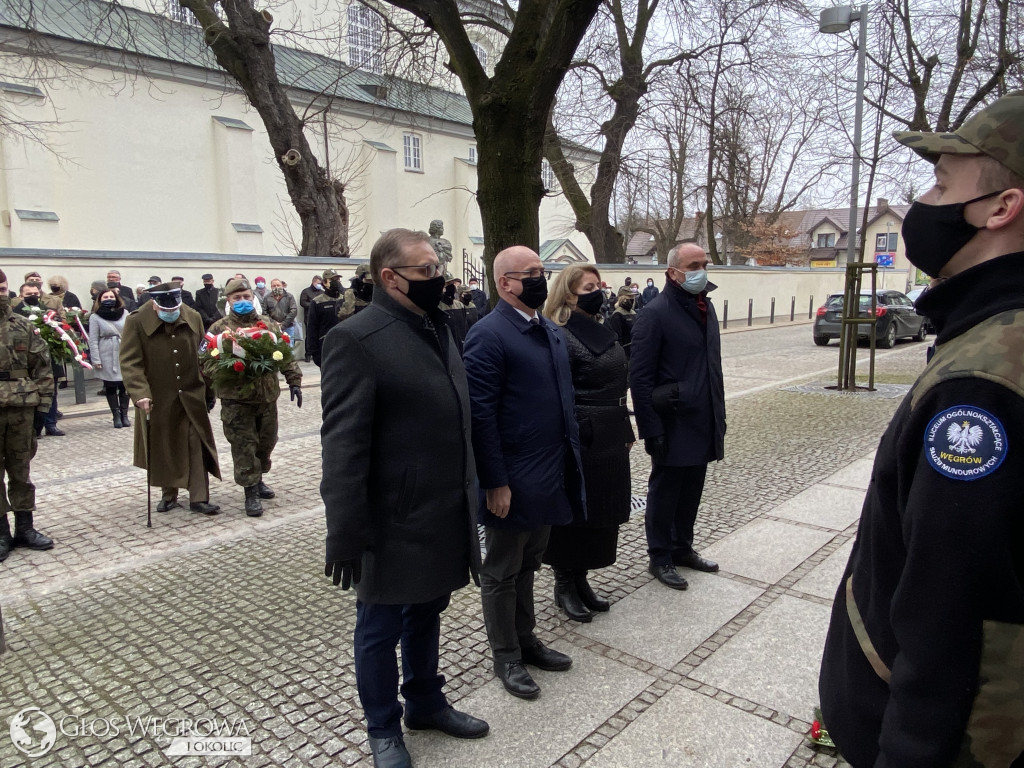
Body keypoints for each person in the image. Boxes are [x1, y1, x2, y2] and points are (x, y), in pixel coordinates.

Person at [819, 91, 1024, 767]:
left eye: (942, 184)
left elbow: (949, 611)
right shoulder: (987, 335)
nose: (925, 204)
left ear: (1001, 207)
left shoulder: (984, 382)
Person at [322, 229, 488, 768]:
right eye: (424, 271)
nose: (437, 278)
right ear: (389, 277)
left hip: (441, 507)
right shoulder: (355, 338)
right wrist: (344, 531)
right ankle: (382, 727)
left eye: (437, 268)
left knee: (429, 610)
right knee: (379, 628)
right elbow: (343, 446)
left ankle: (424, 700)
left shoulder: (437, 325)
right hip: (389, 518)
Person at [463, 246, 585, 700]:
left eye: (542, 271)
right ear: (505, 283)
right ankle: (506, 655)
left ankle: (527, 639)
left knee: (531, 562)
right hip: (511, 479)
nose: (540, 278)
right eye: (530, 273)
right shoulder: (488, 335)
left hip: (548, 472)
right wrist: (495, 481)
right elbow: (481, 416)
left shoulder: (547, 330)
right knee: (501, 569)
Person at [629, 242, 724, 591]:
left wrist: (719, 416)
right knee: (666, 491)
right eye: (694, 265)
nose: (701, 270)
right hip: (671, 420)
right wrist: (650, 428)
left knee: (692, 489)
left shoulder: (705, 308)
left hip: (702, 417)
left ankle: (682, 547)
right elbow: (639, 378)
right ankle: (660, 557)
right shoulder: (654, 314)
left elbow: (711, 367)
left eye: (704, 263)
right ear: (673, 273)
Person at [542, 264, 633, 622]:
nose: (598, 291)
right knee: (574, 512)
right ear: (568, 293)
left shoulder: (602, 327)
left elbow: (619, 381)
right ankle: (564, 582)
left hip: (610, 430)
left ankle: (581, 579)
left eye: (599, 284)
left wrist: (625, 426)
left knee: (600, 511)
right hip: (581, 435)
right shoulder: (558, 334)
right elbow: (556, 393)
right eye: (589, 286)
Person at [119, 282, 221, 516]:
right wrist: (140, 393)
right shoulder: (136, 321)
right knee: (164, 445)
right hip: (157, 396)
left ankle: (199, 497)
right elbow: (130, 362)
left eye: (174, 308)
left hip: (191, 393)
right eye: (165, 309)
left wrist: (209, 389)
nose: (170, 312)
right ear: (154, 305)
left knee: (196, 443)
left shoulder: (192, 316)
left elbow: (203, 354)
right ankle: (169, 494)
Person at [205, 278, 302, 517]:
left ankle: (258, 479)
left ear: (253, 298)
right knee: (243, 445)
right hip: (236, 400)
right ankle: (250, 491)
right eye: (237, 298)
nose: (243, 301)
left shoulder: (268, 324)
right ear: (228, 300)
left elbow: (285, 354)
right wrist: (228, 370)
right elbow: (205, 361)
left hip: (267, 396)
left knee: (266, 441)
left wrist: (294, 381)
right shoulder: (218, 329)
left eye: (246, 297)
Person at [0, 268, 56, 563]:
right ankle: (1, 533)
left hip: (22, 408)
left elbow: (42, 368)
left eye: (3, 288)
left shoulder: (22, 325)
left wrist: (43, 409)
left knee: (21, 470)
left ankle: (25, 527)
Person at [14, 283, 65, 437]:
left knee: (51, 392)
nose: (33, 296)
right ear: (21, 295)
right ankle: (35, 427)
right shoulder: (15, 314)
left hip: (48, 359)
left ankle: (51, 424)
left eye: (36, 293)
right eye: (29, 294)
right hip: (27, 361)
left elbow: (59, 331)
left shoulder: (48, 312)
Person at [88, 289, 131, 429]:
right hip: (106, 352)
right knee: (111, 385)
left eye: (111, 296)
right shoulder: (95, 317)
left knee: (125, 385)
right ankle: (116, 415)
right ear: (100, 300)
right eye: (105, 297)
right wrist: (96, 360)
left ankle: (125, 414)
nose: (109, 298)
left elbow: (132, 333)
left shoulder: (125, 313)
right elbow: (93, 340)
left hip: (124, 350)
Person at [305, 269, 344, 367]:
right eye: (333, 280)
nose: (336, 282)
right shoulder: (318, 302)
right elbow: (312, 327)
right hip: (326, 345)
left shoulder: (345, 299)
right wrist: (313, 350)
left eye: (338, 279)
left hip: (344, 345)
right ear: (324, 283)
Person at [605, 287, 638, 360]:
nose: (632, 299)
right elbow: (617, 339)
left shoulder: (633, 312)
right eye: (629, 297)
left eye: (632, 297)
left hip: (635, 351)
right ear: (623, 299)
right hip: (626, 355)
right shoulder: (617, 314)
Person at [298, 275, 322, 362]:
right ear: (314, 282)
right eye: (318, 283)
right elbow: (303, 302)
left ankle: (319, 353)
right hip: (309, 317)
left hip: (320, 317)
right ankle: (308, 354)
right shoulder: (306, 291)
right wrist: (313, 305)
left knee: (320, 335)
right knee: (309, 336)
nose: (320, 285)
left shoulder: (322, 292)